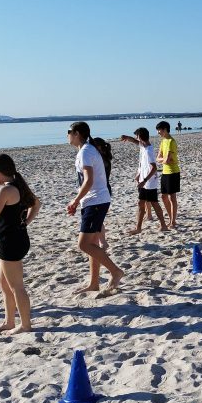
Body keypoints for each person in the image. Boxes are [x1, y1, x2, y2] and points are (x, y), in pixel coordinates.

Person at [67, 121, 124, 294]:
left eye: (69, 131)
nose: (67, 135)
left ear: (77, 134)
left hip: (96, 201)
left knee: (84, 245)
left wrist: (75, 201)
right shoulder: (87, 150)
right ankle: (94, 283)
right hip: (94, 201)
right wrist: (79, 201)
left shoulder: (86, 151)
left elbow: (89, 180)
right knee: (91, 244)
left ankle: (115, 271)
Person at [0, 153, 40, 334]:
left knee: (17, 286)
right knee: (2, 282)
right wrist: (25, 222)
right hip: (17, 238)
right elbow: (36, 204)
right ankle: (9, 321)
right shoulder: (18, 184)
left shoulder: (5, 190)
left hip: (12, 242)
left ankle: (25, 324)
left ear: (0, 172)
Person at [119, 128, 168, 234]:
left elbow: (154, 168)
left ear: (140, 137)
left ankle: (163, 225)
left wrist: (144, 180)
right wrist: (127, 138)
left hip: (149, 182)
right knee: (141, 203)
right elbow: (135, 141)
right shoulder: (143, 146)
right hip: (144, 181)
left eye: (137, 136)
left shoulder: (148, 150)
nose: (136, 138)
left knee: (154, 203)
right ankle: (139, 228)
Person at [156, 121, 181, 229]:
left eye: (159, 130)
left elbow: (166, 160)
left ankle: (173, 221)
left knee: (172, 197)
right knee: (163, 196)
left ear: (165, 129)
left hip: (173, 172)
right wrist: (164, 160)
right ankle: (170, 218)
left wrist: (164, 160)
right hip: (165, 172)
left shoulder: (171, 141)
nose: (158, 132)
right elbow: (158, 158)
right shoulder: (163, 141)